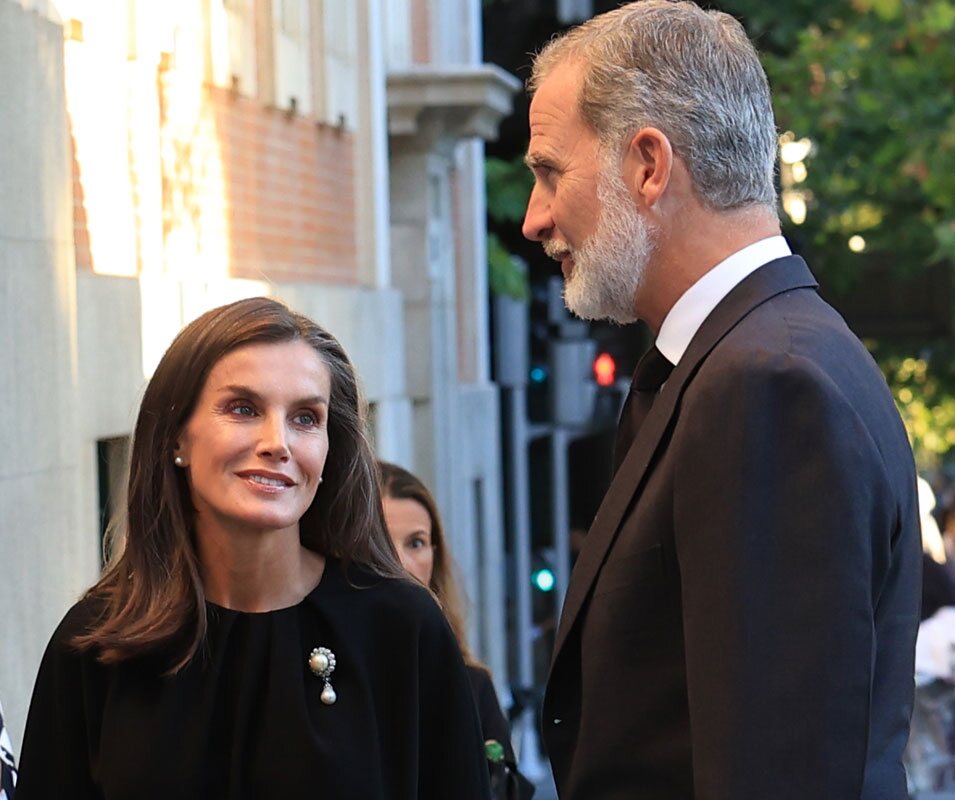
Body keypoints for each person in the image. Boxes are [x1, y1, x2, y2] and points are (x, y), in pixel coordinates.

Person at [521, 3, 922, 798]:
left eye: (548, 172)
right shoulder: (761, 359)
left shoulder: (765, 385)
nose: (534, 219)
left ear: (646, 165)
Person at [16, 297, 490, 800]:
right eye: (243, 409)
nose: (277, 442)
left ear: (331, 450)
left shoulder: (401, 627)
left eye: (306, 418)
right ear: (177, 436)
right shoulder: (97, 642)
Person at [378, 461, 534, 800]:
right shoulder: (327, 674)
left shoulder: (471, 684)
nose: (401, 563)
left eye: (416, 543)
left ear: (436, 553)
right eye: (380, 542)